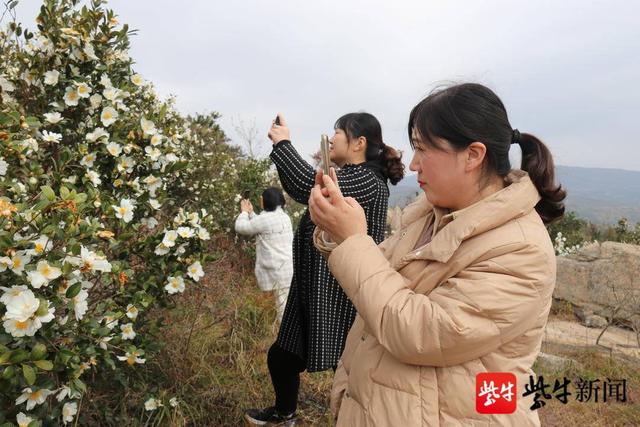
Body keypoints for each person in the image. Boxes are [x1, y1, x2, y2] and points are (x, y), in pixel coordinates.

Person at [308, 83, 566, 426]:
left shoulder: (521, 250)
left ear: (473, 155)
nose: (413, 164)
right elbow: (382, 270)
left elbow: (421, 332)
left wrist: (353, 240)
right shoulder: (432, 212)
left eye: (422, 149)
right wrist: (339, 232)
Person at [243, 112, 405, 425]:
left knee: (349, 369)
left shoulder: (366, 180)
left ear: (359, 143)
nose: (331, 139)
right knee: (283, 356)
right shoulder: (355, 175)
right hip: (315, 286)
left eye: (338, 132)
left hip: (340, 294)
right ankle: (284, 414)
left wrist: (283, 143)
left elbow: (308, 185)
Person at [234, 187, 294, 323]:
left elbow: (241, 227)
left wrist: (243, 213)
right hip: (288, 268)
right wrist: (251, 213)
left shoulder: (264, 219)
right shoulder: (284, 217)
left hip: (278, 271)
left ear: (265, 201)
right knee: (288, 304)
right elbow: (264, 225)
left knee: (284, 309)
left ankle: (287, 339)